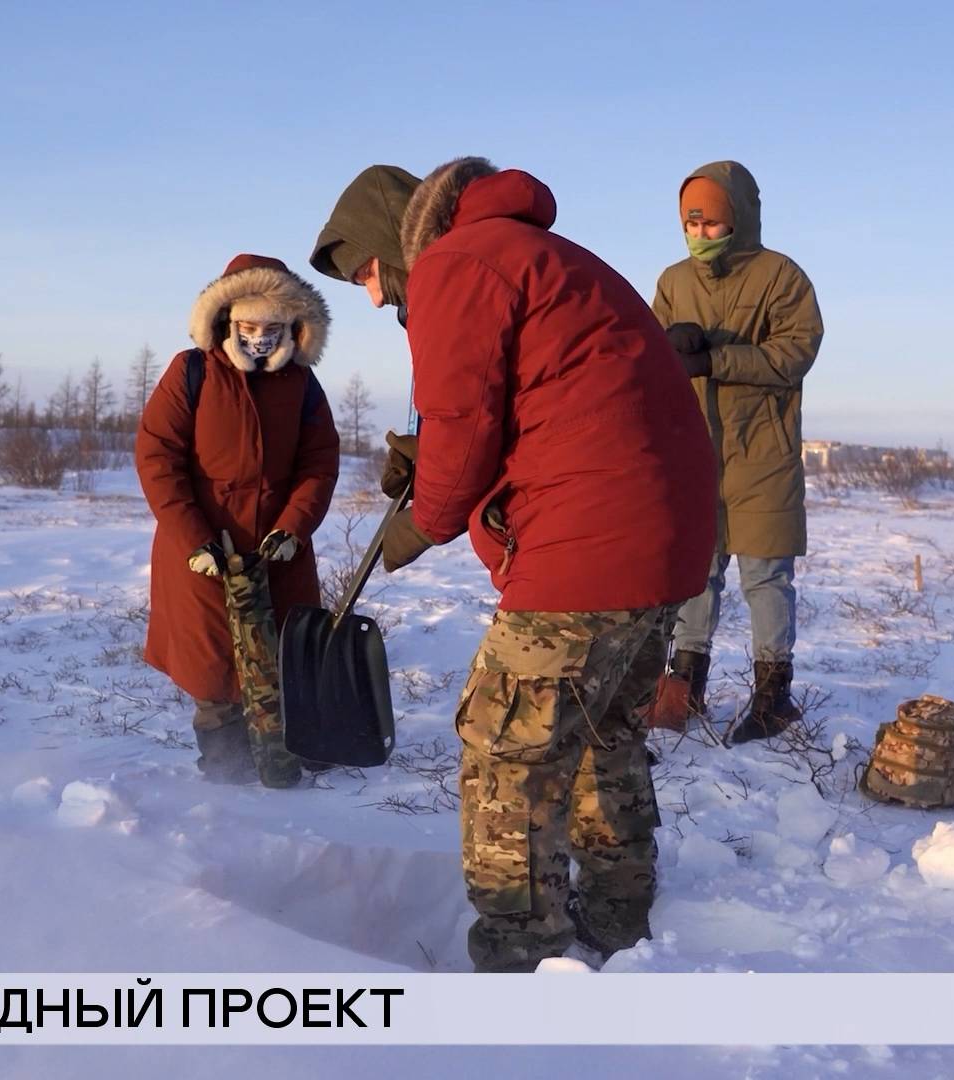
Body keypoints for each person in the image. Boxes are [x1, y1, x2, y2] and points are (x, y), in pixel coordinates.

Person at [312, 156, 717, 971]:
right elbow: (544, 401)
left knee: (506, 753)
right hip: (665, 542)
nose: (376, 295)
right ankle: (616, 918)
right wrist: (432, 455)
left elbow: (463, 448)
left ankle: (516, 960)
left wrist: (416, 522)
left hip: (588, 547)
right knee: (604, 733)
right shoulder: (541, 254)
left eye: (366, 271)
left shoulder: (454, 265)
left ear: (399, 240)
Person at [136, 254, 340, 788]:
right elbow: (158, 458)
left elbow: (319, 461)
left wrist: (295, 526)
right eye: (248, 327)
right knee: (214, 667)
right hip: (205, 553)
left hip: (278, 553)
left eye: (271, 328)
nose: (259, 339)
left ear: (292, 327)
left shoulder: (302, 384)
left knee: (284, 659)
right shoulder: (192, 371)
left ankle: (284, 762)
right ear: (226, 320)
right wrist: (194, 539)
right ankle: (227, 780)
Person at [650, 161, 823, 745]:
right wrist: (667, 349)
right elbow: (648, 355)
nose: (700, 236)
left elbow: (793, 354)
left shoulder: (782, 277)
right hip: (695, 451)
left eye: (712, 224)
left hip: (761, 454)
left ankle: (773, 698)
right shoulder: (674, 283)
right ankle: (684, 687)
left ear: (740, 219)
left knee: (764, 578)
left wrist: (715, 357)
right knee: (695, 575)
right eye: (690, 224)